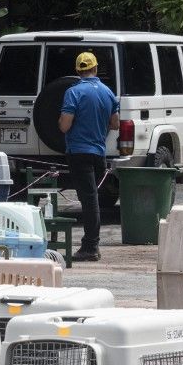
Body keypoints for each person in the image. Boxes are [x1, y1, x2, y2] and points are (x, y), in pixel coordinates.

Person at [59, 51, 119, 262]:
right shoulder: (107, 92)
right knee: (93, 199)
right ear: (95, 68)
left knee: (89, 200)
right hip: (98, 153)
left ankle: (90, 246)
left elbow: (65, 125)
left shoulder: (73, 92)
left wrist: (60, 123)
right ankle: (91, 243)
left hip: (79, 153)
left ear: (78, 70)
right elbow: (115, 124)